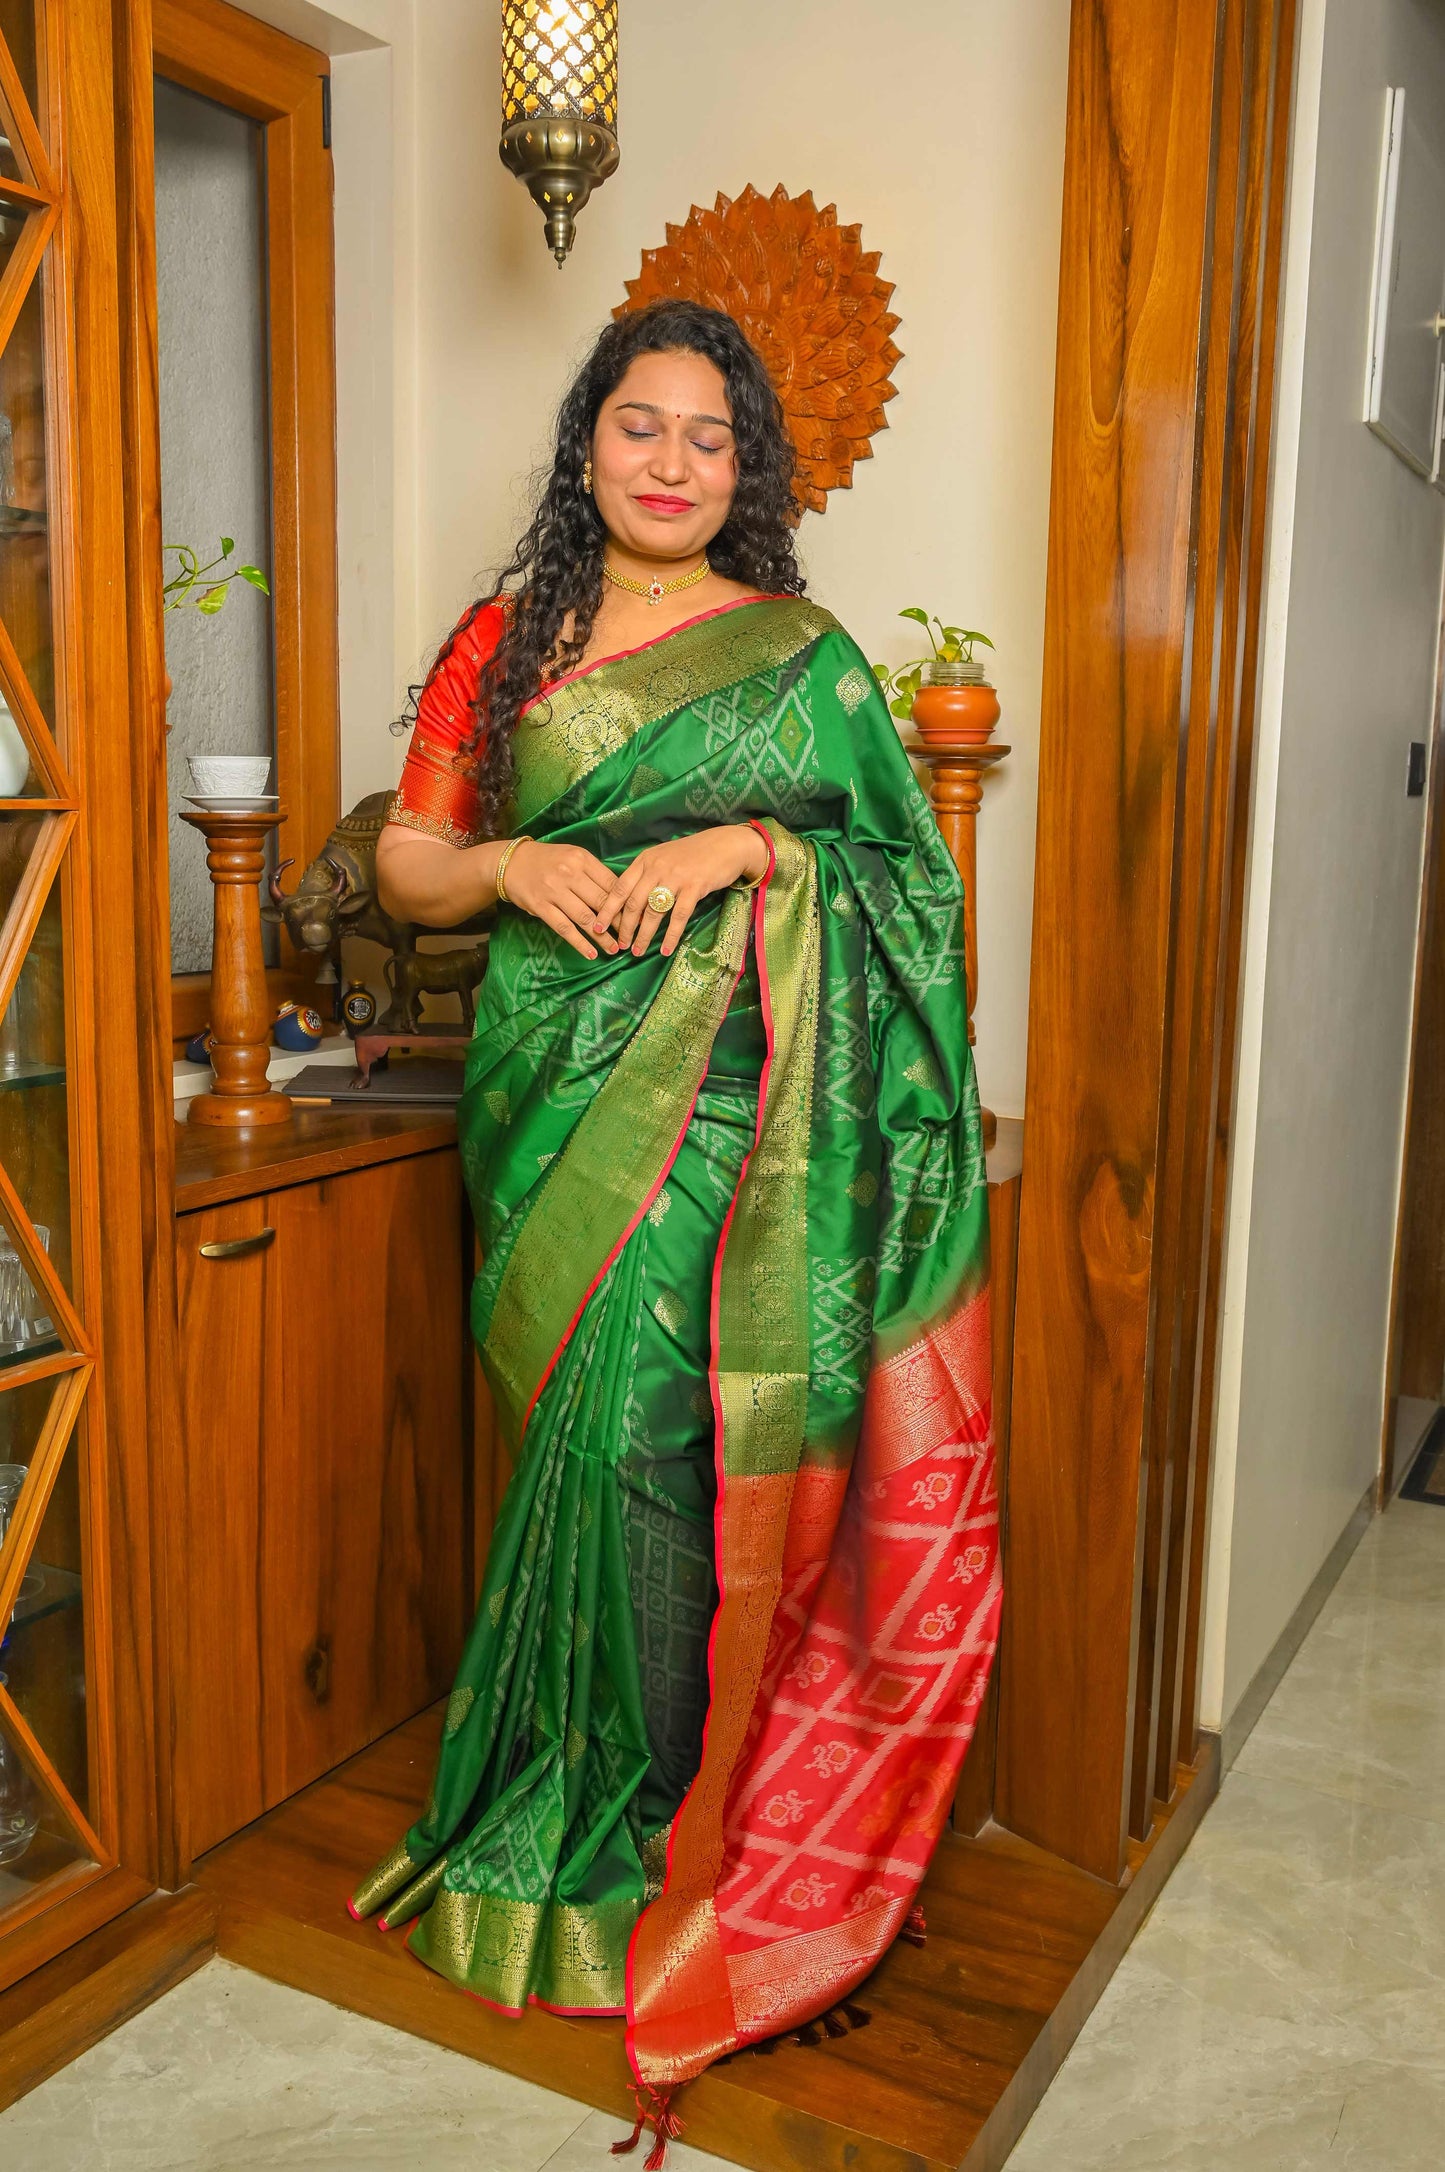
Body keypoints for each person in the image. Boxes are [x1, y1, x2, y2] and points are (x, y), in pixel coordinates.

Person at [350, 298, 1000, 2155]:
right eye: (638, 426)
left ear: (747, 474)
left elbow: (903, 882)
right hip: (546, 1100)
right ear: (584, 445)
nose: (667, 462)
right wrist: (504, 862)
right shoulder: (512, 636)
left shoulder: (800, 658)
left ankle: (665, 1823)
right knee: (581, 1442)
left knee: (673, 1448)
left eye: (707, 440)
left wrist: (755, 850)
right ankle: (551, 1811)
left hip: (739, 1113)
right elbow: (411, 858)